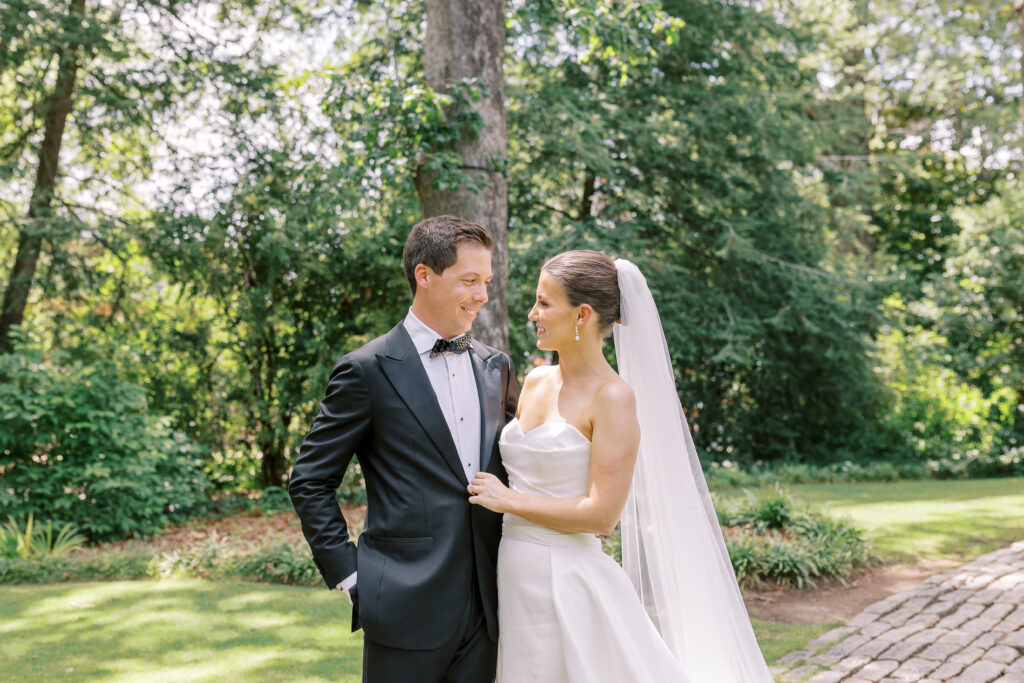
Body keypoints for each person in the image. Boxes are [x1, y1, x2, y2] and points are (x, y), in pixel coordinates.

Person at [468, 250, 773, 682]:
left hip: (567, 578)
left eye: (545, 302)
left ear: (582, 314)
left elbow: (602, 515)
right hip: (512, 571)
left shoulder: (613, 398)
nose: (533, 313)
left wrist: (509, 501)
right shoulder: (536, 381)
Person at [289, 215, 519, 683]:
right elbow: (310, 480)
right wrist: (354, 579)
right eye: (469, 281)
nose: (483, 295)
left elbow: (519, 465)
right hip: (402, 605)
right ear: (424, 275)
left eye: (487, 282)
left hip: (490, 608)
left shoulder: (497, 366)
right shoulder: (366, 370)